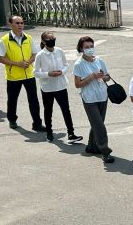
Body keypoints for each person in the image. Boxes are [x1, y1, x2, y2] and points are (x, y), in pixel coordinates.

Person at [33, 32, 82, 143]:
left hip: (61, 85)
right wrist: (48, 74)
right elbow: (35, 72)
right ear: (43, 42)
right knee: (48, 110)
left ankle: (71, 133)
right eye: (49, 39)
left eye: (53, 38)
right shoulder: (40, 55)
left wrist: (62, 72)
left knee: (66, 110)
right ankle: (49, 132)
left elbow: (66, 65)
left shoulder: (59, 51)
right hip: (47, 87)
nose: (52, 40)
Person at [0, 15, 43, 130]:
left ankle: (37, 123)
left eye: (21, 23)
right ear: (10, 24)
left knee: (34, 100)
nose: (20, 25)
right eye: (17, 23)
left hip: (29, 74)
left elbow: (34, 53)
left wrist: (29, 61)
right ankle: (12, 120)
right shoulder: (4, 40)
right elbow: (0, 58)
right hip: (14, 76)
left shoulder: (28, 38)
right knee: (12, 100)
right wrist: (17, 64)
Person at [72, 36, 113, 164]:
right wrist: (92, 77)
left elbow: (107, 77)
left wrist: (104, 76)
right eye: (86, 47)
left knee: (97, 124)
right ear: (81, 49)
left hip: (102, 96)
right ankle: (105, 151)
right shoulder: (79, 64)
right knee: (99, 125)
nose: (90, 49)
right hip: (89, 99)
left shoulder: (99, 61)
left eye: (91, 46)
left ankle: (91, 146)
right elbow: (78, 84)